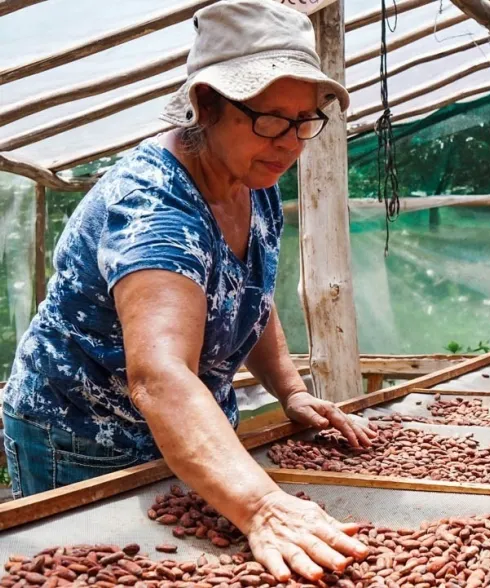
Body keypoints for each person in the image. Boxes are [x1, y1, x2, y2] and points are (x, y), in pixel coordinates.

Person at [1, 0, 374, 581]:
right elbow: (159, 376)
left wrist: (291, 392)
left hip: (188, 424)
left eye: (305, 120)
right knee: (94, 568)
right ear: (205, 105)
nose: (291, 141)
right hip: (85, 432)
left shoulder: (254, 177)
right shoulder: (154, 209)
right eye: (271, 118)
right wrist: (262, 506)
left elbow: (246, 294)